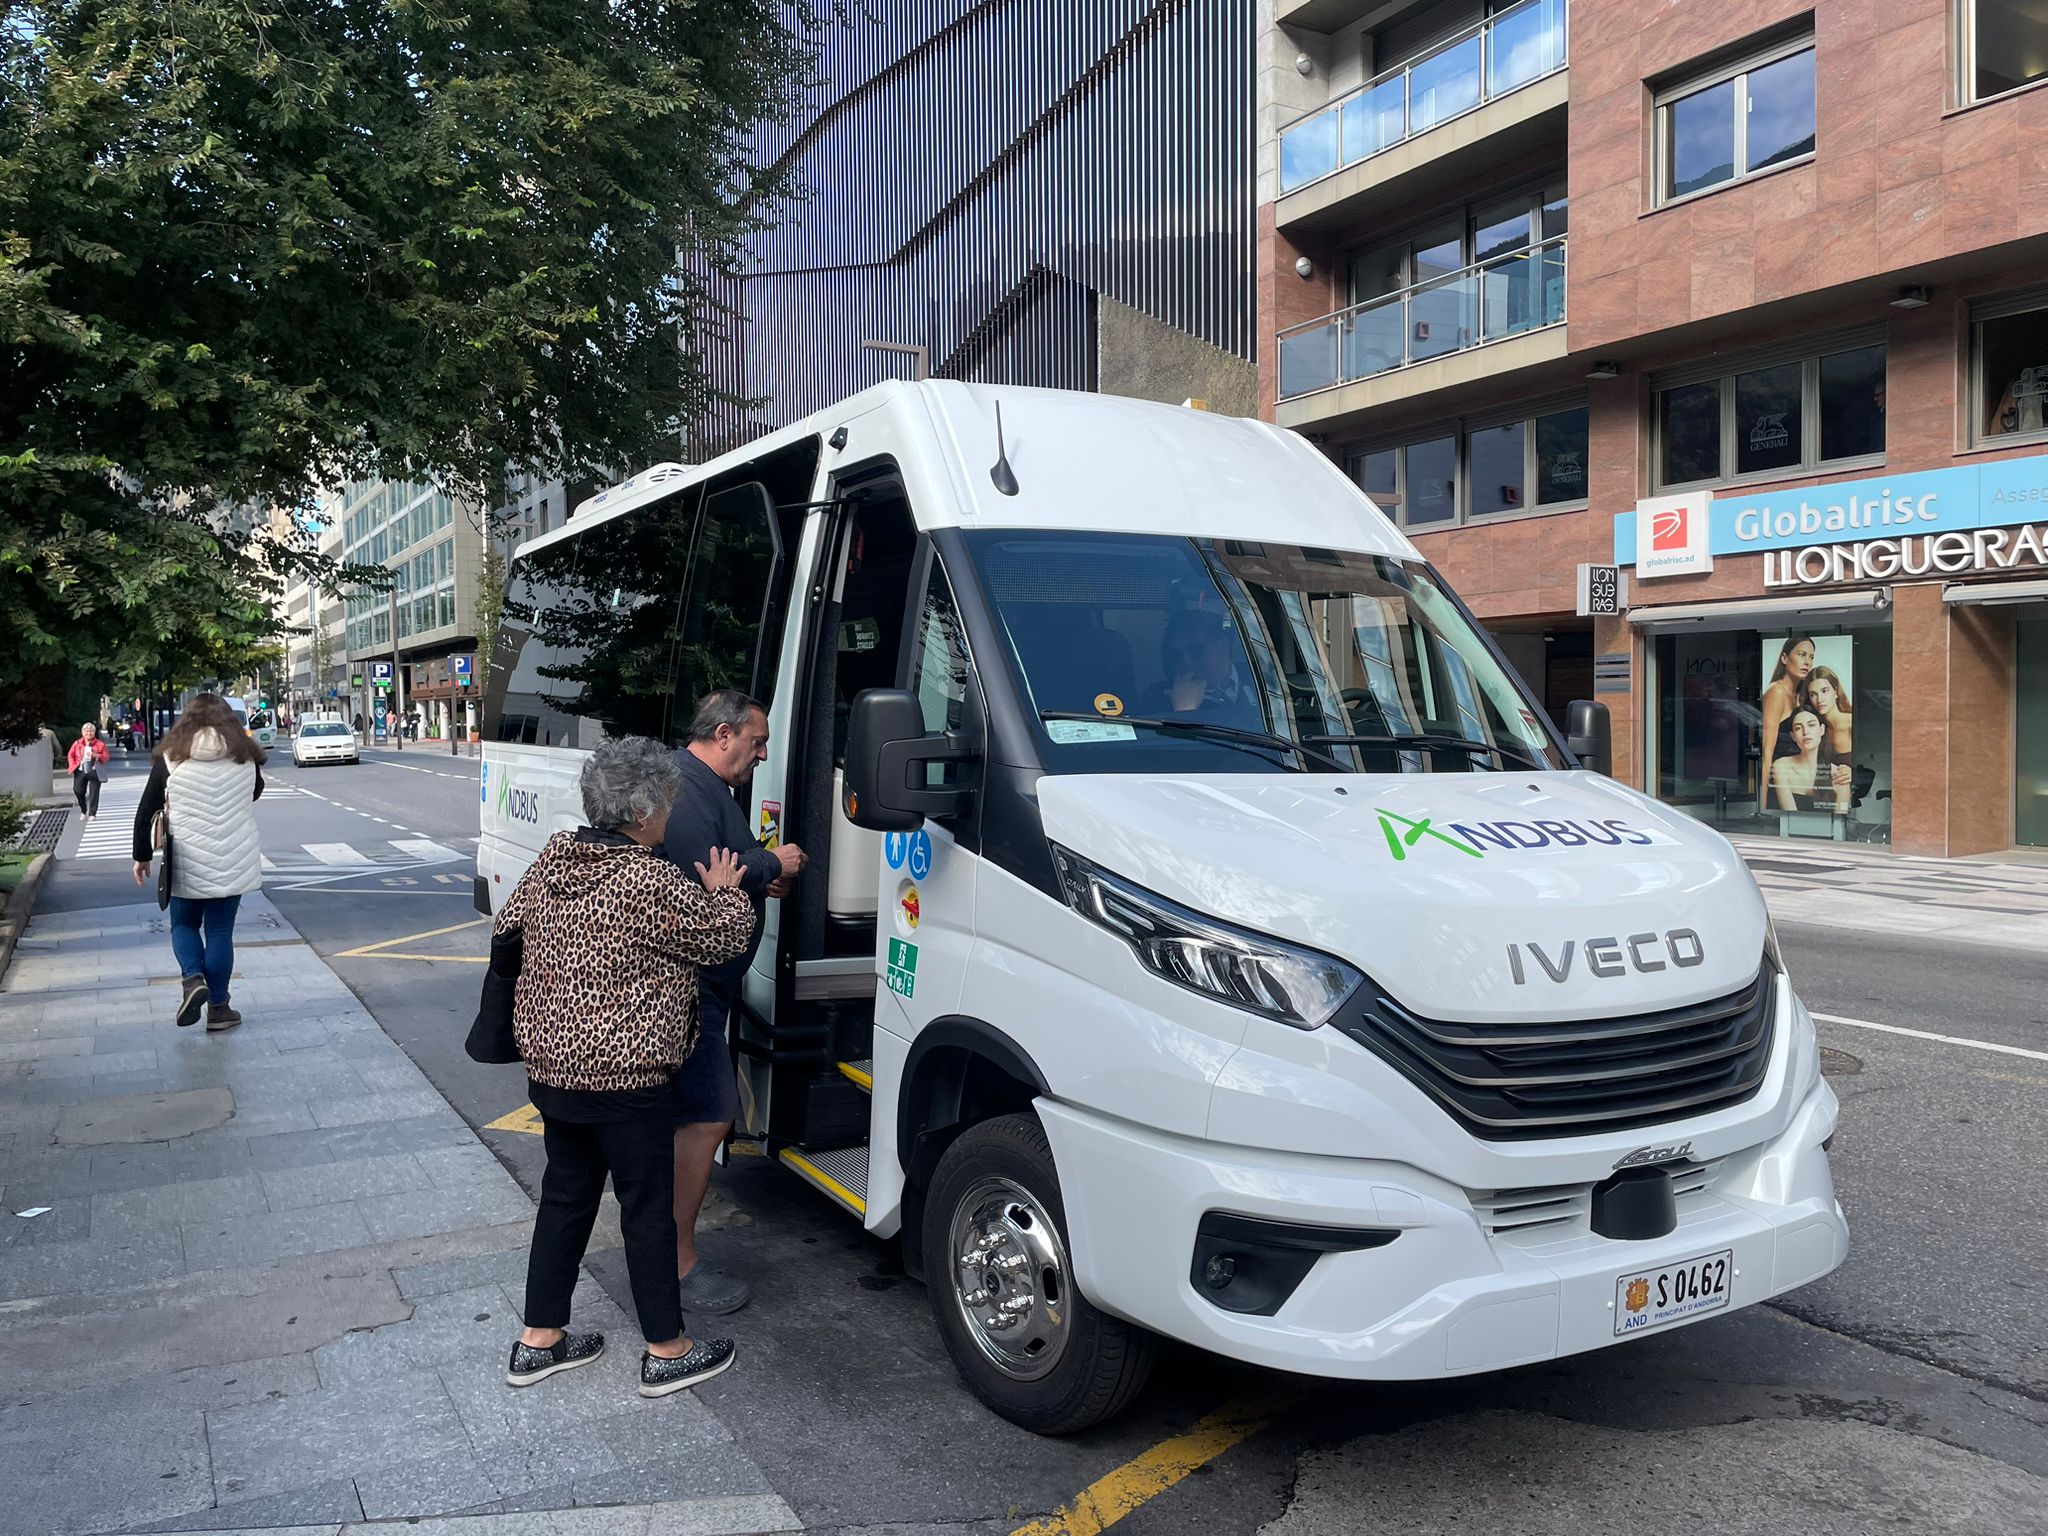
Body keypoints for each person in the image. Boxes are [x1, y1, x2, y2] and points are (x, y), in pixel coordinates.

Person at [497, 735, 756, 1398]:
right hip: (628, 1077)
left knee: (566, 1198)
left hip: (554, 1072)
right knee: (646, 1211)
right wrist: (728, 891)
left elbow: (507, 930)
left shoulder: (555, 856)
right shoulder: (648, 878)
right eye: (666, 800)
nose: (671, 811)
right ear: (641, 810)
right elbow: (721, 938)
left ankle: (540, 1341)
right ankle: (667, 1350)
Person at [659, 690, 807, 1314]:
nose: (764, 753)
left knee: (703, 1116)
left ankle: (667, 1249)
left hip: (706, 987)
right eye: (757, 741)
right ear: (724, 734)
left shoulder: (704, 785)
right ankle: (676, 1261)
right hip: (693, 989)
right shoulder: (689, 786)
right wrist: (773, 859)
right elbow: (701, 869)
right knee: (708, 1115)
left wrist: (752, 872)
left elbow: (727, 867)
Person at [130, 694, 265, 1031]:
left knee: (184, 925)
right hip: (233, 857)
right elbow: (255, 792)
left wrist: (141, 856)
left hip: (185, 859)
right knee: (220, 931)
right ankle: (219, 1010)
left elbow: (146, 811)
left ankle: (193, 980)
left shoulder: (170, 758)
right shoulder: (246, 758)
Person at [1139, 608, 1256, 722]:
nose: (1186, 660)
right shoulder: (1157, 699)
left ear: (1223, 646)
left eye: (1196, 650)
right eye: (1177, 654)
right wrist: (1184, 710)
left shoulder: (1259, 678)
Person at [1758, 635, 1816, 806]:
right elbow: (1767, 750)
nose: (1807, 662)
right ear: (1784, 658)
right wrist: (1763, 802)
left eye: (1811, 657)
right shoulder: (1777, 692)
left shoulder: (1800, 696)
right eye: (1801, 654)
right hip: (1780, 780)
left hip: (1798, 779)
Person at [1769, 706, 1850, 814]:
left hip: (1829, 829)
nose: (1805, 732)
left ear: (1822, 730)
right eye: (1798, 728)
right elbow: (1790, 815)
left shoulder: (1839, 774)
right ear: (1793, 736)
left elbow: (1840, 818)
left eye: (1811, 725)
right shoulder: (1781, 766)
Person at [1799, 665, 1853, 759]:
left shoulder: (1852, 723)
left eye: (1824, 691)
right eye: (1813, 694)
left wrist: (1852, 770)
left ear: (1835, 692)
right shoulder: (1814, 729)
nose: (1819, 699)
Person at [68, 722, 109, 820]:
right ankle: (83, 809)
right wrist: (72, 765)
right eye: (86, 731)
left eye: (91, 731)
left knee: (94, 792)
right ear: (82, 733)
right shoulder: (77, 744)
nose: (89, 734)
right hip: (80, 769)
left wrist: (96, 756)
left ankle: (92, 813)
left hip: (94, 770)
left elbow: (106, 757)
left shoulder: (100, 744)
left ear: (94, 733)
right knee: (78, 790)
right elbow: (70, 755)